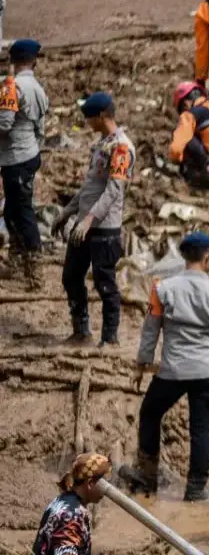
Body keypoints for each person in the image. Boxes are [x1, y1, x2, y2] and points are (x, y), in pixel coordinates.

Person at [123, 232, 209, 502]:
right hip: (206, 372)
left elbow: (150, 330)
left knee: (150, 413)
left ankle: (148, 476)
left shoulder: (162, 289)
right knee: (201, 429)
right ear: (208, 257)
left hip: (172, 371)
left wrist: (141, 365)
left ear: (184, 256)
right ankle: (196, 488)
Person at [52, 92, 133, 346]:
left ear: (101, 116)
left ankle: (110, 338)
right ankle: (81, 331)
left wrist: (88, 221)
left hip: (103, 228)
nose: (85, 121)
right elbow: (90, 187)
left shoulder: (121, 147)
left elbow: (113, 190)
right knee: (71, 277)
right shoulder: (102, 144)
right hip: (84, 224)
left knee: (104, 282)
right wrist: (67, 213)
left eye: (88, 116)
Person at [0, 38, 48, 288]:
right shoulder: (38, 88)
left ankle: (35, 270)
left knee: (23, 213)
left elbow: (4, 125)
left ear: (12, 61)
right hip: (29, 154)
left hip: (14, 158)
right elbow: (40, 125)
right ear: (34, 61)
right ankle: (18, 262)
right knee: (11, 211)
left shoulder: (12, 86)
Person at [33, 453, 111, 555]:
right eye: (104, 484)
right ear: (90, 483)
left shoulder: (63, 500)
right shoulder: (72, 514)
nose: (105, 492)